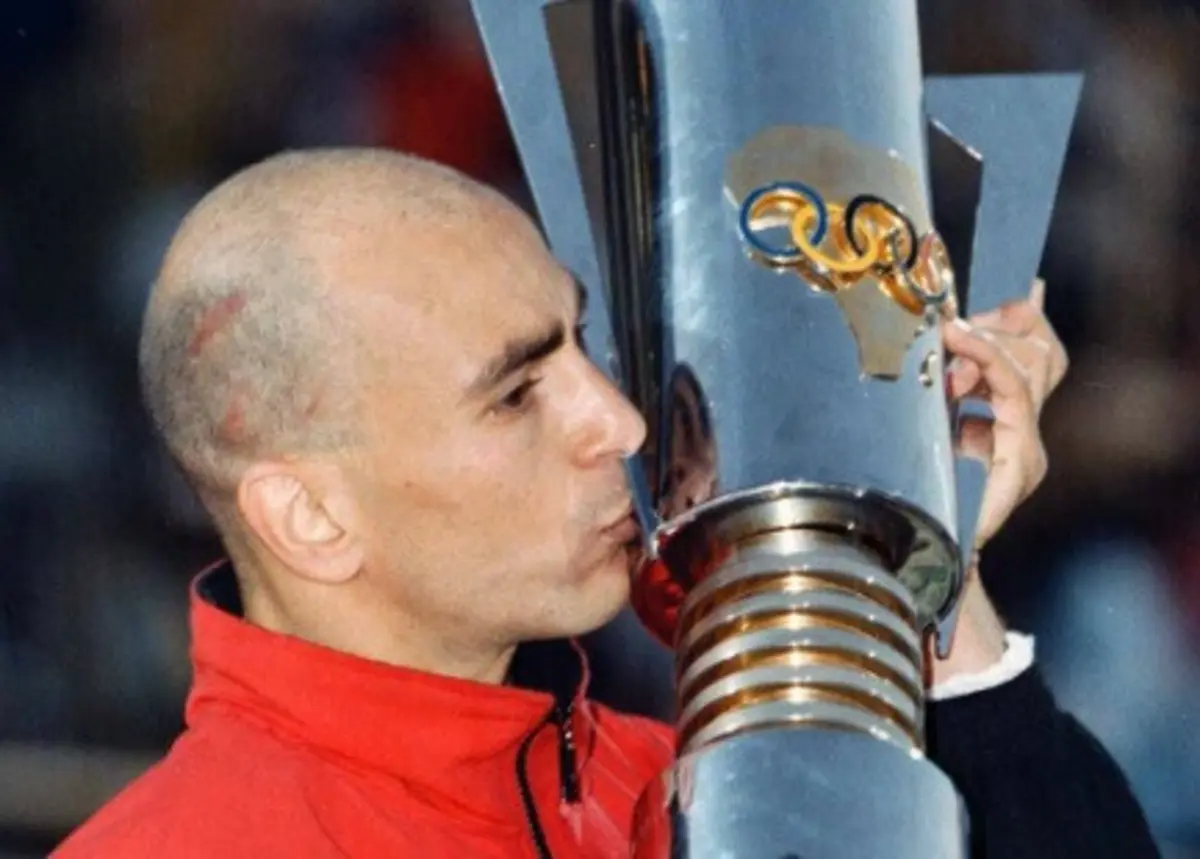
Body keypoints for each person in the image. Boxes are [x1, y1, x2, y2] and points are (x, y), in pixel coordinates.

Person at [53, 149, 1159, 858]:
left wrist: (938, 580)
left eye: (580, 343)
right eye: (517, 393)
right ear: (311, 517)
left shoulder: (665, 783)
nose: (621, 423)